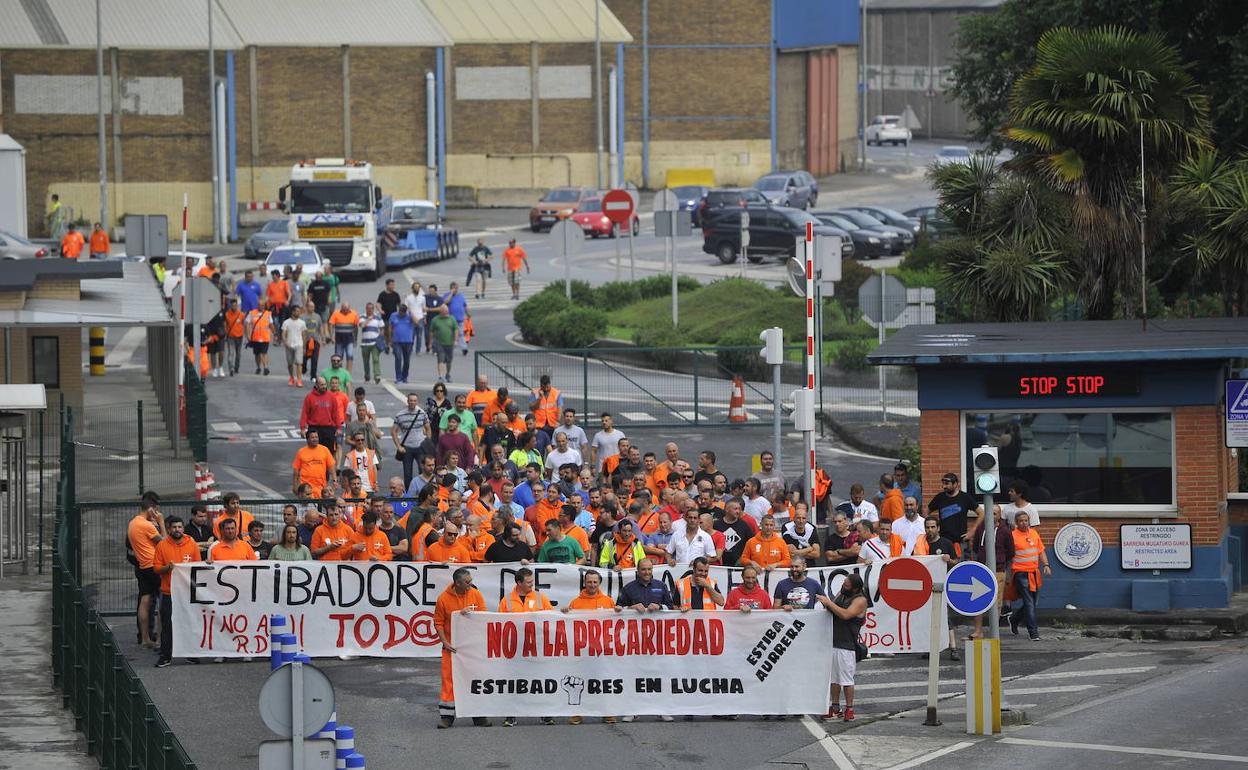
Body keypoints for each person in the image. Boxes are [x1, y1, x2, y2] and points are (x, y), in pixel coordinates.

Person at [434, 567, 491, 728]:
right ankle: (447, 716)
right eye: (468, 582)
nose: (471, 584)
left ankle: (478, 716)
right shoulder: (443, 599)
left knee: (475, 679)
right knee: (448, 682)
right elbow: (438, 622)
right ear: (457, 583)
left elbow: (484, 617)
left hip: (472, 647)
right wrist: (445, 642)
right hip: (452, 648)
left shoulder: (476, 594)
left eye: (471, 580)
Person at [498, 568, 555, 726]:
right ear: (519, 582)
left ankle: (545, 713)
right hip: (514, 647)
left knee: (540, 679)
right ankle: (511, 714)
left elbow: (551, 617)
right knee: (514, 681)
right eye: (529, 582)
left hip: (537, 646)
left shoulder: (540, 597)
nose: (532, 584)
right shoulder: (507, 600)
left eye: (532, 581)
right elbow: (499, 623)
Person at [150, 515, 198, 667]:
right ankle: (166, 655)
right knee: (168, 625)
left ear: (183, 528)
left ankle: (191, 654)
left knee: (190, 623)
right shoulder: (162, 546)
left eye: (179, 527)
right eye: (174, 527)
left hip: (187, 593)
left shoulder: (191, 544)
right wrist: (167, 568)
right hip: (169, 593)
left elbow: (198, 565)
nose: (177, 530)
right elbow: (156, 568)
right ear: (169, 529)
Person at [823, 573, 868, 723]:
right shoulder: (841, 595)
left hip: (847, 646)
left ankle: (850, 709)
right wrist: (829, 602)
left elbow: (845, 614)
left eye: (847, 585)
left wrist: (829, 603)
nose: (844, 586)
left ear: (855, 588)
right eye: (844, 584)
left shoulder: (860, 600)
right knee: (834, 679)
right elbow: (832, 609)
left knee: (846, 680)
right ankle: (835, 707)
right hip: (833, 642)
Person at [968, 503, 1014, 640]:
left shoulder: (1005, 531)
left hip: (998, 570)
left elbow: (1011, 551)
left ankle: (995, 632)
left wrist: (1001, 561)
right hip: (982, 568)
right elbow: (976, 545)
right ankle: (978, 631)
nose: (992, 516)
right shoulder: (981, 527)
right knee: (978, 600)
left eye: (995, 513)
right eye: (990, 513)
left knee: (997, 601)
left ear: (999, 515)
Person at [127, 493, 165, 649]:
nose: (157, 513)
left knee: (145, 600)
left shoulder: (133, 523)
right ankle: (160, 640)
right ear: (150, 509)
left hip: (142, 566)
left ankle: (144, 638)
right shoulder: (146, 525)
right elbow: (164, 543)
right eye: (155, 510)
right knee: (164, 601)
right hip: (153, 565)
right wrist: (161, 523)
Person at [1008, 511, 1049, 641]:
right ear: (1016, 523)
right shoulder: (1012, 536)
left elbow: (1040, 551)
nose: (1024, 523)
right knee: (1029, 602)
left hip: (1034, 572)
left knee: (1033, 602)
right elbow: (1008, 556)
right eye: (1021, 521)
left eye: (1026, 520)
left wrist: (1046, 565)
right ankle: (1033, 632)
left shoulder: (1034, 533)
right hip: (1020, 572)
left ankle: (1014, 619)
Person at [927, 472, 976, 552]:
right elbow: (926, 511)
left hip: (961, 541)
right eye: (943, 484)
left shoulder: (965, 497)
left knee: (961, 564)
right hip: (943, 541)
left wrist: (972, 531)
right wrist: (931, 527)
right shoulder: (940, 497)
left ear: (955, 484)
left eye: (947, 484)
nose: (944, 486)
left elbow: (981, 513)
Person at [392, 393, 431, 487]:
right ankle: (409, 496)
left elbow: (428, 428)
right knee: (407, 473)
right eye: (411, 400)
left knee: (423, 471)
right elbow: (394, 432)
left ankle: (424, 492)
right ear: (407, 401)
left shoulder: (422, 413)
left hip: (420, 446)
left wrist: (428, 443)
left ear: (417, 401)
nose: (413, 402)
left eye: (414, 401)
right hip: (407, 448)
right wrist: (398, 446)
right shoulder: (400, 415)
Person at [713, 498, 756, 567]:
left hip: (738, 566)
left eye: (739, 509)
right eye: (735, 509)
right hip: (719, 566)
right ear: (727, 509)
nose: (738, 511)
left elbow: (752, 543)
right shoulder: (716, 525)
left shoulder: (744, 525)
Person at [386, 303, 417, 383]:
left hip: (408, 342)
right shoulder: (393, 315)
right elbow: (390, 328)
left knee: (407, 360)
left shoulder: (409, 316)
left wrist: (411, 313)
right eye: (400, 311)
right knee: (398, 358)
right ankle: (398, 377)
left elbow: (416, 322)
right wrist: (389, 340)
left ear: (405, 312)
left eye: (403, 312)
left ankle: (405, 376)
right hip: (397, 341)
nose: (401, 313)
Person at [244, 300, 276, 375]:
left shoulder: (268, 314)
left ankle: (266, 368)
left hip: (265, 337)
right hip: (255, 338)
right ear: (257, 305)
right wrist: (248, 335)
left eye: (262, 305)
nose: (261, 306)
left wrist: (275, 333)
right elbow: (247, 324)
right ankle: (258, 367)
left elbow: (271, 324)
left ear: (264, 306)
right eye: (259, 305)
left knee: (264, 353)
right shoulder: (252, 313)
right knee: (257, 354)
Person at [429, 305, 459, 382]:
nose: (446, 313)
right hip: (439, 343)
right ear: (441, 312)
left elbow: (455, 330)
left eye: (447, 311)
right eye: (444, 312)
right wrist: (430, 342)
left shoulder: (451, 319)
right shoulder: (435, 320)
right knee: (440, 359)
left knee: (449, 361)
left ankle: (448, 374)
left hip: (449, 343)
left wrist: (455, 340)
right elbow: (431, 332)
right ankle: (440, 376)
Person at [358, 302, 386, 384]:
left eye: (371, 308)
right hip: (365, 343)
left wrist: (381, 338)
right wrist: (369, 319)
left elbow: (382, 328)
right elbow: (362, 325)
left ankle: (377, 376)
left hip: (374, 343)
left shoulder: (378, 317)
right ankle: (367, 377)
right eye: (368, 308)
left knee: (375, 359)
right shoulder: (362, 316)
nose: (369, 310)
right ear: (366, 309)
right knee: (366, 361)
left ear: (373, 309)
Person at [328, 301, 360, 372]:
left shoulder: (354, 314)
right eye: (344, 309)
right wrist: (331, 336)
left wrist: (356, 339)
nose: (345, 311)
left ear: (349, 308)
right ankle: (340, 372)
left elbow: (356, 327)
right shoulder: (336, 313)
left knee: (350, 355)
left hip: (349, 340)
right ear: (341, 308)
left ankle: (348, 374)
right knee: (338, 357)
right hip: (339, 340)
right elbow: (331, 324)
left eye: (347, 309)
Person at [280, 304, 307, 387]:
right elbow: (283, 333)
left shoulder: (302, 323)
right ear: (292, 312)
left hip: (299, 345)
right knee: (290, 363)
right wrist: (285, 342)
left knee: (299, 363)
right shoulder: (286, 322)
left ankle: (299, 380)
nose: (298, 313)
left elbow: (304, 335)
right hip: (289, 345)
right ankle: (291, 377)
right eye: (297, 311)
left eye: (299, 311)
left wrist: (304, 346)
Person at [529, 375, 562, 439]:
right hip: (539, 425)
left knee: (553, 444)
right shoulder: (535, 393)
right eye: (544, 387)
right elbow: (532, 408)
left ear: (550, 384)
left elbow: (559, 408)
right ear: (541, 385)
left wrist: (558, 421)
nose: (546, 389)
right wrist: (539, 398)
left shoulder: (556, 393)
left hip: (552, 424)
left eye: (547, 386)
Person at [223, 298, 246, 377]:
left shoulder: (241, 314)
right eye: (233, 306)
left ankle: (236, 367)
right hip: (230, 337)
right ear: (230, 306)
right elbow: (225, 324)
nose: (234, 307)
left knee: (238, 354)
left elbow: (244, 325)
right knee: (231, 353)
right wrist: (226, 333)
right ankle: (231, 368)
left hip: (239, 336)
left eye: (235, 306)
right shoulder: (227, 314)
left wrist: (245, 334)